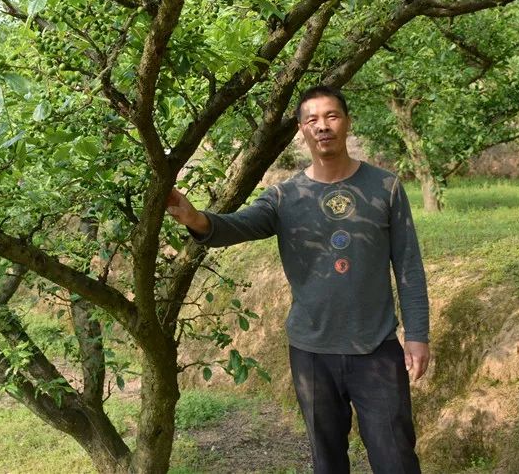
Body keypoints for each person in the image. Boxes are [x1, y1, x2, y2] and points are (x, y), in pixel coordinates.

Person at [166, 85, 430, 474]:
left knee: (397, 459)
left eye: (331, 116)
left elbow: (408, 264)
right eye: (312, 120)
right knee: (327, 461)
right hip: (311, 352)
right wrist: (195, 219)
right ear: (301, 131)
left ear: (346, 122)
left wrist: (418, 334)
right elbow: (237, 226)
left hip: (376, 349)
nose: (322, 126)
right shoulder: (285, 196)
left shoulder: (385, 187)